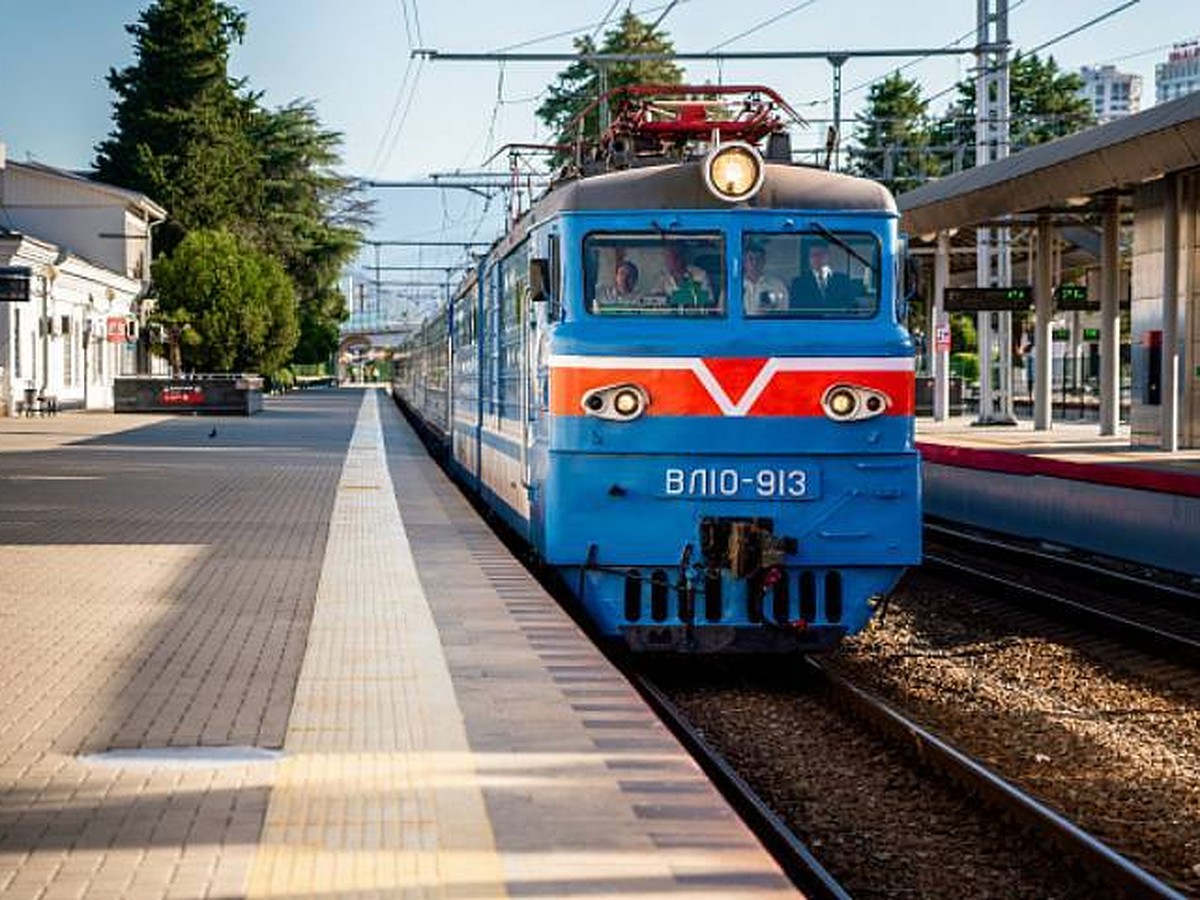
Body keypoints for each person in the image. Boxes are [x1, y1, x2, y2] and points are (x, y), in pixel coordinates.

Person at [790, 240, 855, 310]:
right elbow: (795, 311)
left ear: (828, 256)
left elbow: (851, 307)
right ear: (809, 259)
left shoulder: (843, 280)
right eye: (814, 255)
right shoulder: (798, 283)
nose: (818, 258)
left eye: (822, 254)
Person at [658, 242, 713, 309]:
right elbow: (654, 298)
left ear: (683, 257)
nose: (672, 260)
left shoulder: (700, 275)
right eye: (668, 257)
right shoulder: (663, 277)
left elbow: (710, 302)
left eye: (676, 256)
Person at [742, 241, 789, 314]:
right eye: (750, 258)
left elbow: (783, 314)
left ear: (764, 261)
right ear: (744, 261)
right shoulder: (733, 288)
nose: (755, 263)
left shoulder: (777, 286)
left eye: (758, 258)